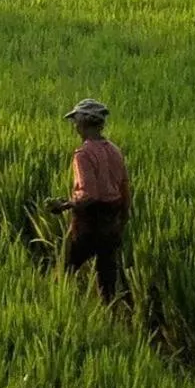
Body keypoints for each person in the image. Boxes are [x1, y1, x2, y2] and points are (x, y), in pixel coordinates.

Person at [47, 98, 131, 304]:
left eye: (76, 121)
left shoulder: (83, 154)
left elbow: (88, 195)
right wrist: (123, 218)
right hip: (112, 220)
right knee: (108, 280)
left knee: (65, 269)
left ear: (84, 123)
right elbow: (125, 187)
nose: (75, 126)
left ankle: (56, 305)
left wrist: (63, 205)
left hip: (89, 222)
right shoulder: (114, 150)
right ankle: (111, 317)